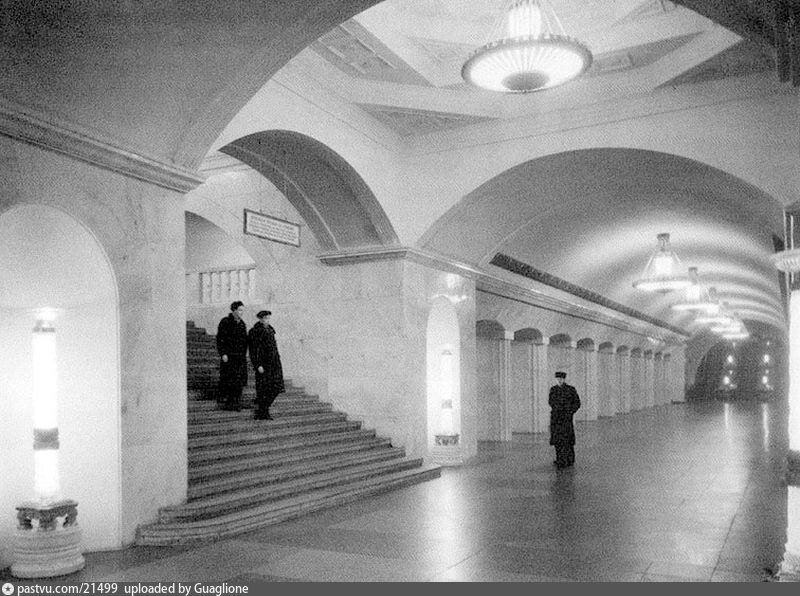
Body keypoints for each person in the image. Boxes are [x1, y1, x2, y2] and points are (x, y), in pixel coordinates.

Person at [247, 310, 285, 420]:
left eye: (268, 318)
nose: (267, 320)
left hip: (274, 364)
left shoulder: (271, 330)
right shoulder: (254, 331)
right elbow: (253, 350)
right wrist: (258, 364)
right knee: (264, 388)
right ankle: (263, 411)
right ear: (260, 319)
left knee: (276, 387)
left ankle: (263, 409)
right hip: (263, 365)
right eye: (265, 318)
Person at [216, 301, 248, 411]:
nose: (241, 312)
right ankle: (229, 403)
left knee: (239, 381)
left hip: (240, 358)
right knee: (229, 379)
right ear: (233, 310)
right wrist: (223, 353)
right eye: (239, 310)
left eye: (242, 310)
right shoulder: (225, 322)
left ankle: (236, 403)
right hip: (229, 356)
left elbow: (244, 342)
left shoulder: (242, 324)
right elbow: (220, 339)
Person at [549, 371, 581, 469]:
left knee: (567, 439)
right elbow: (550, 401)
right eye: (557, 379)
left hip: (566, 418)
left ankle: (569, 459)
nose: (559, 380)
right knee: (558, 440)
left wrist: (570, 411)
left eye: (561, 379)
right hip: (556, 418)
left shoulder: (570, 389)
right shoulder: (553, 389)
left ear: (564, 379)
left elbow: (577, 403)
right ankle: (560, 458)